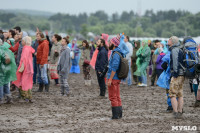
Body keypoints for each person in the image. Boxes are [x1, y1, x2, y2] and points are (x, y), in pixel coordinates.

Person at [13, 36, 35, 103]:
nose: (21, 42)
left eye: (22, 41)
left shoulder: (25, 49)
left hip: (25, 68)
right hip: (30, 68)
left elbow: (24, 59)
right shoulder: (30, 48)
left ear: (25, 42)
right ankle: (30, 97)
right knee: (28, 83)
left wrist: (21, 68)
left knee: (22, 82)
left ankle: (25, 97)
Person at [107, 36, 124, 119]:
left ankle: (115, 115)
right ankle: (119, 114)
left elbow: (114, 67)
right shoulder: (119, 52)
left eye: (110, 42)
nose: (109, 44)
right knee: (117, 96)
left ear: (113, 44)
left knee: (113, 97)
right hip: (117, 78)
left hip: (113, 78)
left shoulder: (115, 54)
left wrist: (110, 79)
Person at [168, 36, 185, 119]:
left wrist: (174, 74)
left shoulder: (174, 50)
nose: (168, 40)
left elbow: (175, 62)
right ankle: (180, 111)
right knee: (180, 94)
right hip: (182, 74)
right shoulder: (180, 49)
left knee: (172, 94)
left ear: (173, 41)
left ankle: (175, 112)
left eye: (169, 39)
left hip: (177, 74)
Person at [0, 38, 17, 104]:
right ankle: (9, 98)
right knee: (6, 83)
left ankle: (0, 98)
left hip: (1, 70)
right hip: (8, 69)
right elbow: (11, 60)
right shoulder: (7, 50)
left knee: (1, 84)